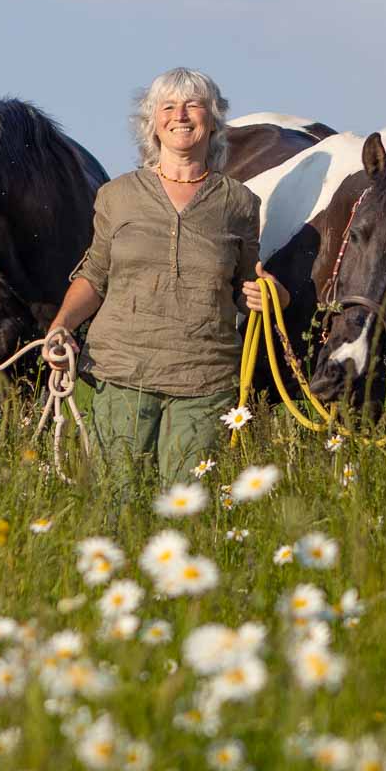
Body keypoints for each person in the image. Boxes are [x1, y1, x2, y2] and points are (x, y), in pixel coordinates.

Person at [44, 68, 287, 488]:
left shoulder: (240, 203)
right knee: (115, 505)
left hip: (204, 380)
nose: (181, 114)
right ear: (152, 122)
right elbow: (95, 276)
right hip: (121, 373)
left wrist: (275, 296)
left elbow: (248, 283)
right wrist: (61, 325)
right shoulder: (116, 195)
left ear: (212, 119)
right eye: (168, 106)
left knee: (187, 506)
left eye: (194, 104)